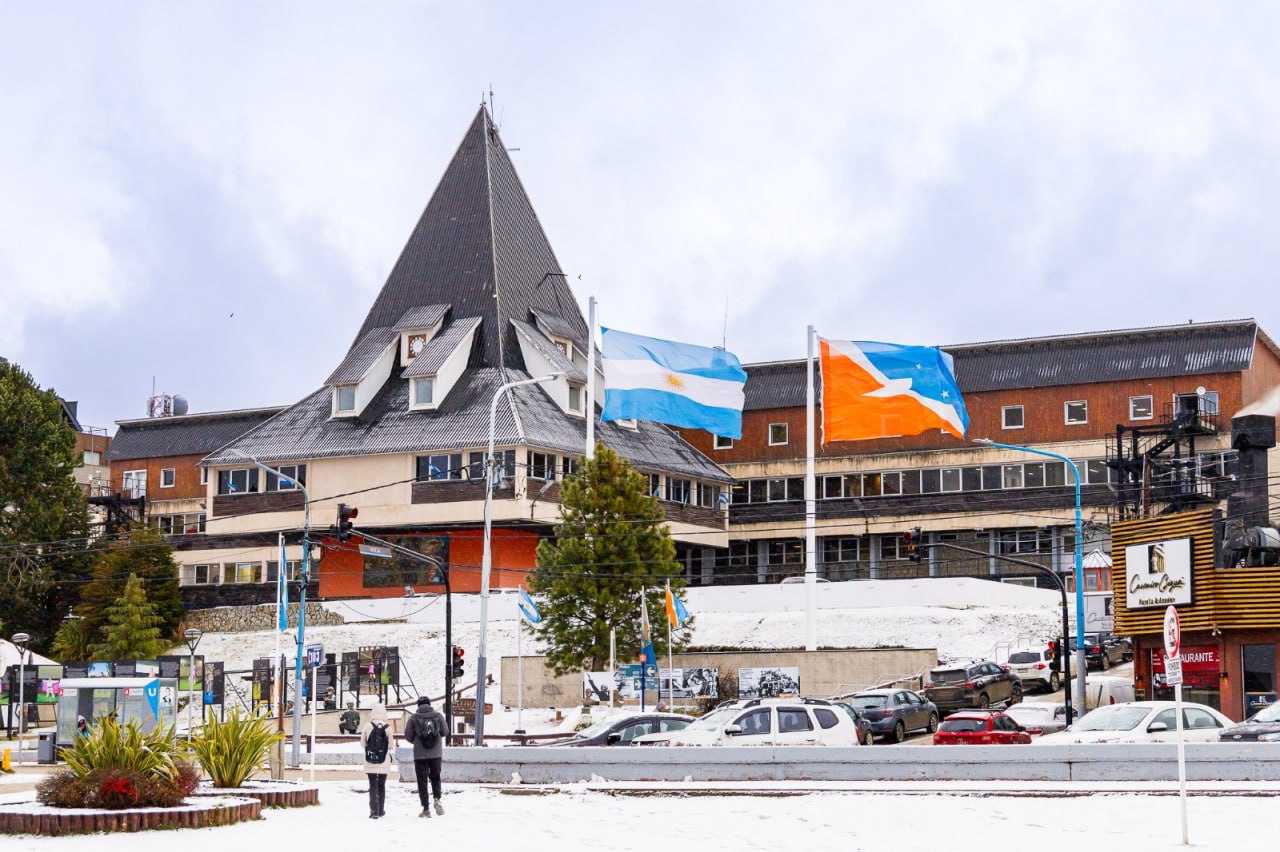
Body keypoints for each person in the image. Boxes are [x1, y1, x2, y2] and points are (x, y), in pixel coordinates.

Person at [404, 695, 447, 818]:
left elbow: (408, 735)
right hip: (436, 754)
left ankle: (426, 809)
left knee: (422, 781)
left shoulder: (414, 718)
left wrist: (417, 741)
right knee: (435, 777)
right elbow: (445, 732)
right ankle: (437, 798)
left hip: (420, 755)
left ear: (418, 705)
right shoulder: (438, 716)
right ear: (429, 704)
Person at [360, 702, 395, 819]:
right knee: (381, 785)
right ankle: (381, 809)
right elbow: (391, 745)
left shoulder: (367, 726)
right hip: (384, 760)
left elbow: (362, 743)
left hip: (370, 760)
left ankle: (373, 811)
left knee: (372, 785)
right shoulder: (388, 727)